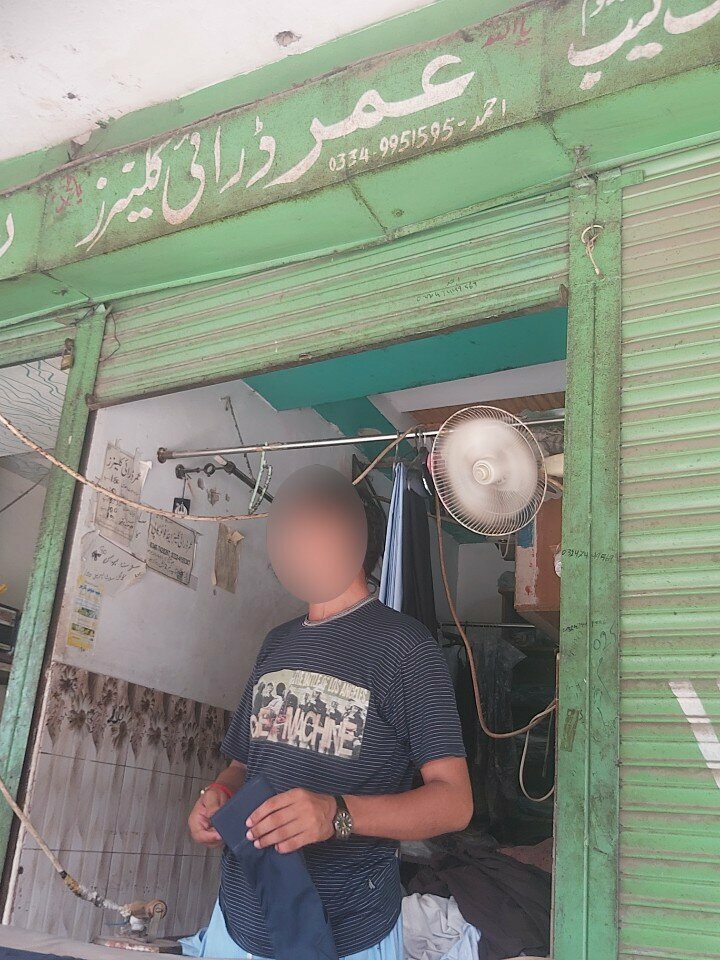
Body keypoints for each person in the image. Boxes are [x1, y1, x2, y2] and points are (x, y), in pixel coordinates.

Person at [187, 465, 472, 960]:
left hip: (347, 934)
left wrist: (336, 813)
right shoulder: (277, 643)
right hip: (238, 922)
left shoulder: (406, 648)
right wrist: (217, 798)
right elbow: (242, 765)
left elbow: (454, 803)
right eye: (290, 529)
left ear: (356, 537)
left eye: (315, 525)